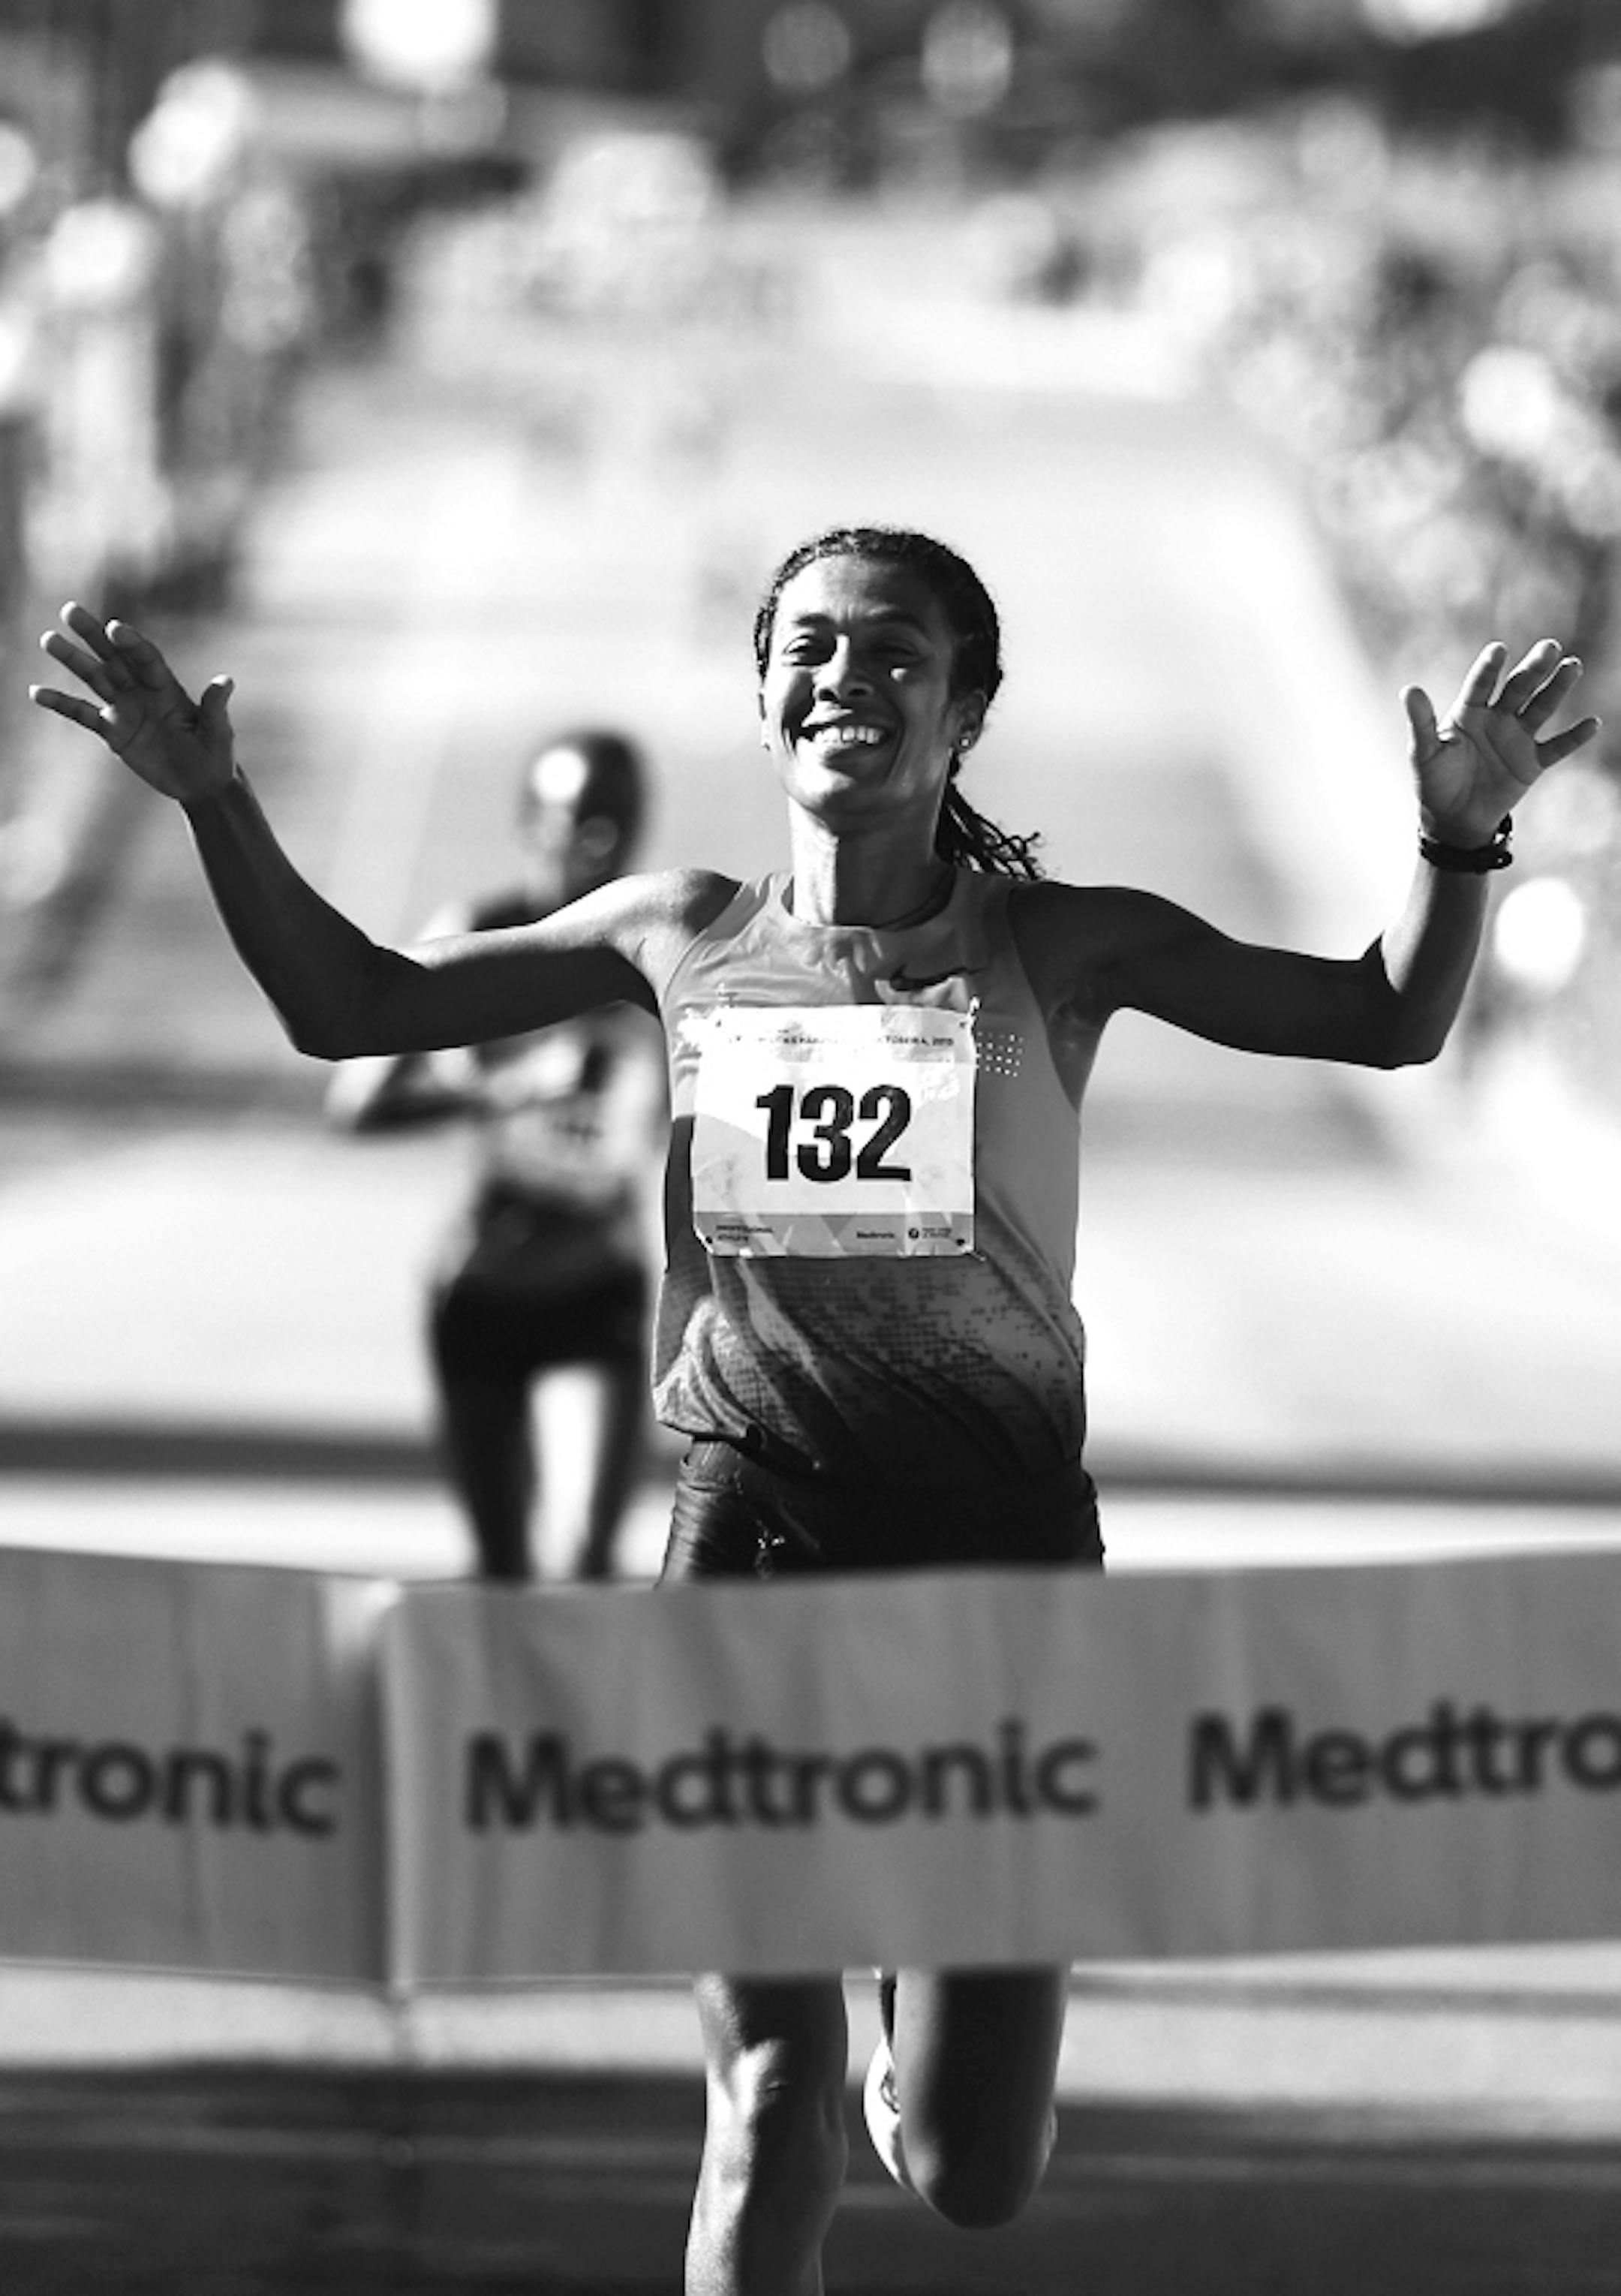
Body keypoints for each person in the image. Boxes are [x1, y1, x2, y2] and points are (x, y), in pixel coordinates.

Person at [31, 528, 1597, 2294]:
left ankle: (918, 2055)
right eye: (814, 648)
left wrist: (1459, 835)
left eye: (894, 654)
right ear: (762, 687)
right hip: (744, 1553)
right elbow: (350, 1006)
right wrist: (212, 800)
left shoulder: (1059, 946)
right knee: (766, 2100)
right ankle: (812, 2062)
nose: (847, 677)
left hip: (999, 1576)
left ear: (966, 709)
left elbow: (1383, 1021)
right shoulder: (679, 937)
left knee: (968, 2167)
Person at [323, 730, 666, 1583]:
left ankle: (578, 1720)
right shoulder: (477, 930)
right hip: (482, 1282)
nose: (594, 840)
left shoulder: (663, 950)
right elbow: (359, 1103)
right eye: (574, 816)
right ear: (528, 822)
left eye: (614, 819)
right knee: (502, 1570)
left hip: (598, 1285)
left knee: (586, 1552)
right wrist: (510, 1090)